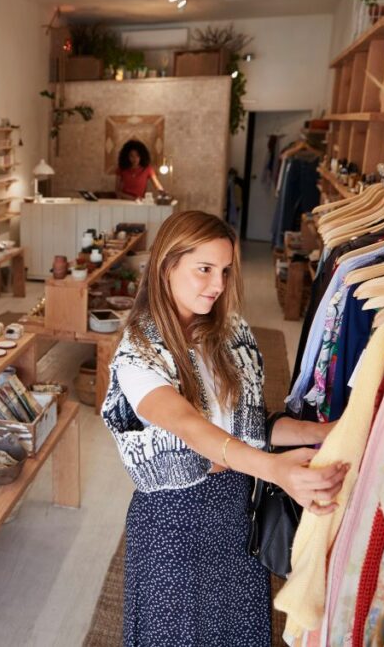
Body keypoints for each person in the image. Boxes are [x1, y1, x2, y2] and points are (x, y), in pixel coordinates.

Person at [101, 210, 348, 646]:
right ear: (166, 267)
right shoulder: (138, 351)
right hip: (172, 525)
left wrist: (325, 432)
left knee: (234, 630)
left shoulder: (230, 334)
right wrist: (275, 471)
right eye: (204, 269)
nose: (217, 285)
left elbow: (251, 426)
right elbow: (187, 426)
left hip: (236, 516)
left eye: (225, 271)